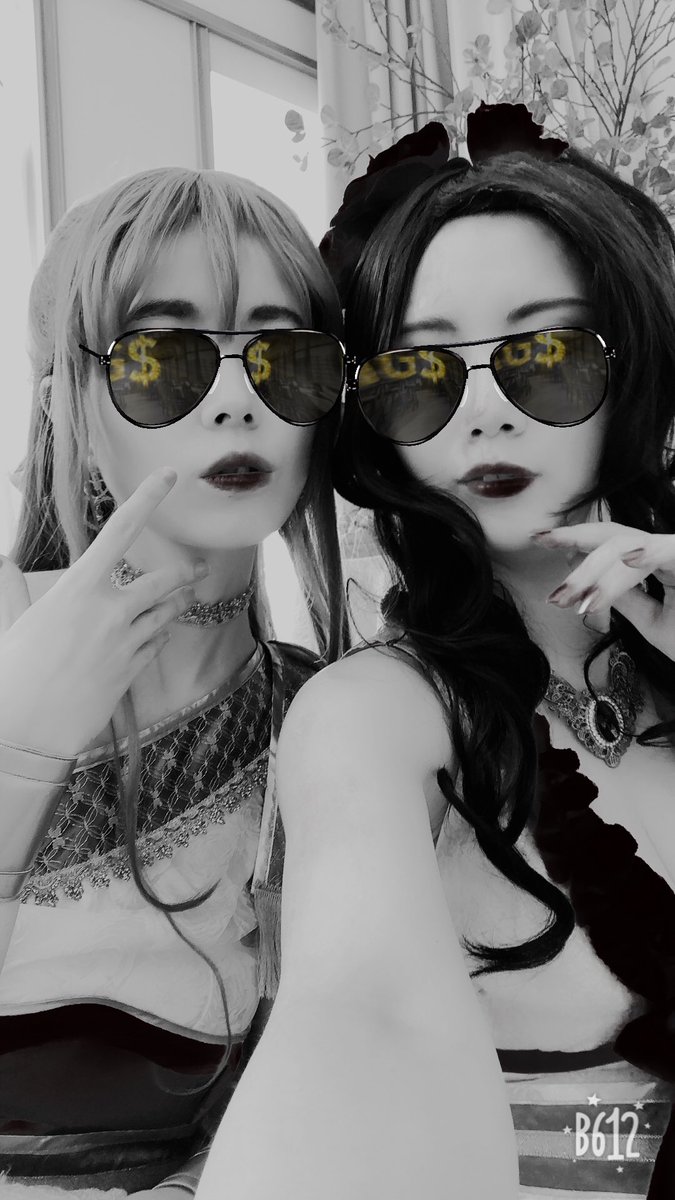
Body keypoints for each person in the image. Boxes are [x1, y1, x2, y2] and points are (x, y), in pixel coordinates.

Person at [197, 106, 675, 1200]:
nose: (486, 413)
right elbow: (356, 1027)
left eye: (543, 356)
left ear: (634, 365)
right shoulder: (377, 717)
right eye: (422, 372)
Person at [0, 165, 347, 1196]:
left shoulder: (334, 717)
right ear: (67, 401)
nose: (238, 400)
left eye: (284, 358)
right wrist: (20, 754)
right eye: (162, 358)